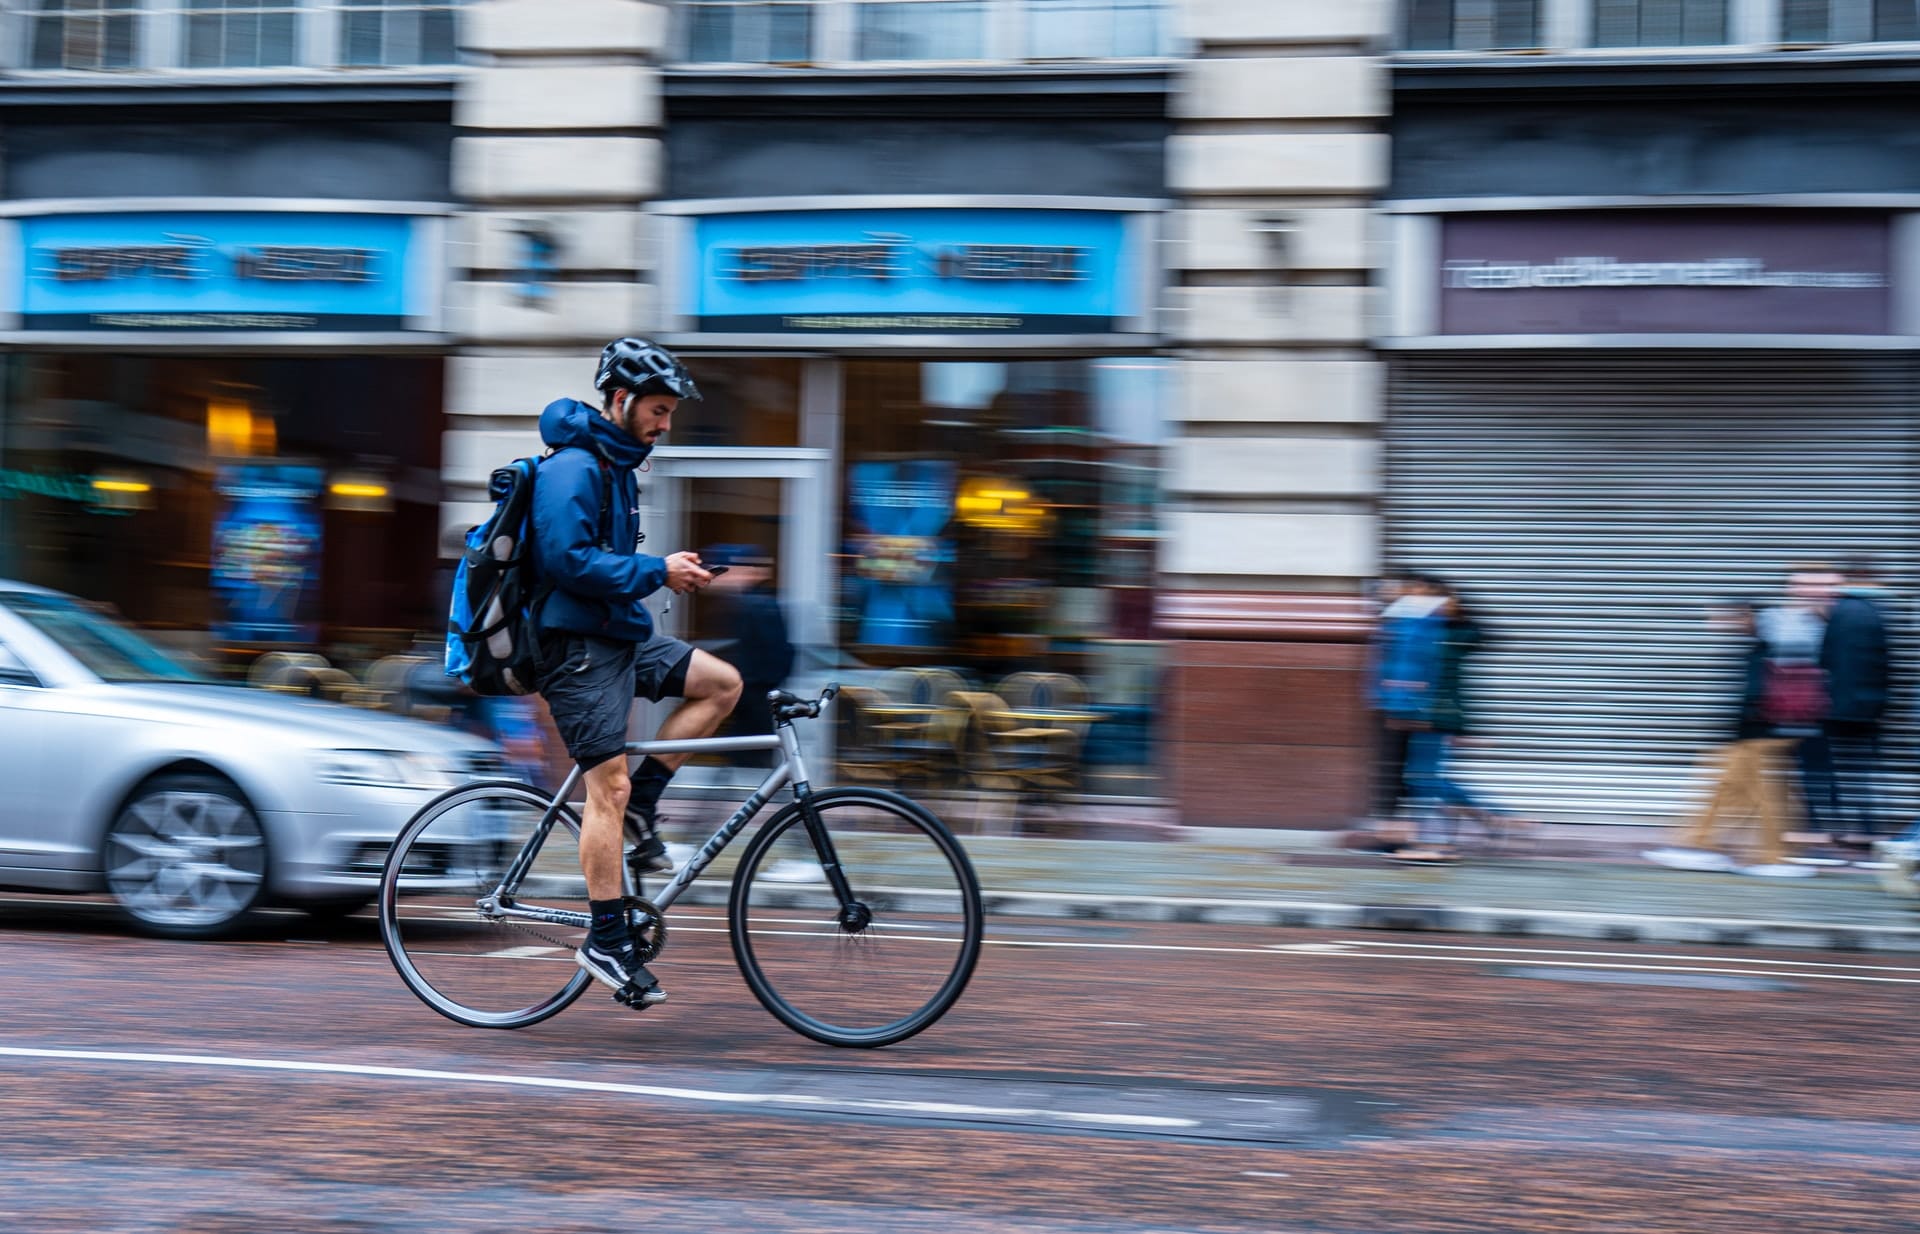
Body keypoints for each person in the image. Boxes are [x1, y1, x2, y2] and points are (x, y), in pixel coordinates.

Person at [529, 337, 743, 1007]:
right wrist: (657, 570)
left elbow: (605, 566)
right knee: (606, 790)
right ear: (620, 400)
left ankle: (646, 809)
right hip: (573, 649)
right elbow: (567, 562)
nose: (665, 423)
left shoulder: (618, 466)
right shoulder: (574, 468)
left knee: (723, 684)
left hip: (618, 636)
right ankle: (607, 939)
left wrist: (669, 568)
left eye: (670, 412)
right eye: (657, 409)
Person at [1644, 599, 1809, 877]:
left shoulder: (1775, 639)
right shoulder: (1762, 638)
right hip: (1752, 733)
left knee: (1763, 797)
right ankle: (1703, 846)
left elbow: (1759, 691)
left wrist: (1743, 724)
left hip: (1761, 733)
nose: (1716, 625)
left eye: (1723, 619)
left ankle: (1771, 857)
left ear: (1745, 616)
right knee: (1729, 790)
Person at [1820, 556, 1892, 850]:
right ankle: (1869, 829)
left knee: (1848, 769)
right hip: (1870, 707)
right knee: (1864, 768)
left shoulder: (1841, 611)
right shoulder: (1878, 612)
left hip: (1841, 707)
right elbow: (1886, 663)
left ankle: (1857, 831)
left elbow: (1826, 658)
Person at [701, 544, 794, 761]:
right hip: (751, 700)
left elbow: (772, 660)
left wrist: (744, 689)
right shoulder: (743, 605)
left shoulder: (757, 606)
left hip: (754, 702)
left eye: (720, 572)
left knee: (749, 756)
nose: (714, 578)